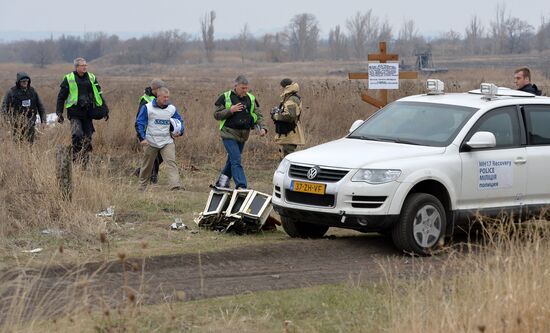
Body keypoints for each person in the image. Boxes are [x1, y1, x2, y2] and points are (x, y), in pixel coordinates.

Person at [213, 75, 267, 189]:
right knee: (236, 159)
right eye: (243, 88)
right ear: (235, 86)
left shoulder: (251, 98)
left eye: (246, 88)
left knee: (232, 160)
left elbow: (258, 115)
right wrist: (230, 110)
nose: (245, 91)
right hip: (228, 133)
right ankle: (241, 186)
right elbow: (216, 115)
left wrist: (262, 128)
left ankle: (221, 182)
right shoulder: (225, 97)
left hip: (243, 135)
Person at [56, 57, 109, 166]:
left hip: (88, 113)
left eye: (86, 65)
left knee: (88, 137)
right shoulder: (69, 78)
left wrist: (105, 110)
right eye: (82, 65)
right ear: (76, 67)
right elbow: (61, 97)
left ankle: (84, 162)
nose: (85, 67)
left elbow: (98, 94)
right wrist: (59, 113)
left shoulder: (91, 77)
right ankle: (75, 159)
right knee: (77, 134)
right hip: (74, 112)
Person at [135, 87, 184, 190]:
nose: (166, 99)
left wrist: (180, 131)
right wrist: (142, 138)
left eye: (168, 97)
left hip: (167, 141)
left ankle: (175, 186)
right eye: (164, 97)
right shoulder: (147, 108)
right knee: (147, 165)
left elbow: (179, 121)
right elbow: (139, 123)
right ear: (158, 97)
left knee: (171, 163)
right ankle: (142, 186)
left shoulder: (172, 108)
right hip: (150, 142)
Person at [135, 78, 166, 183]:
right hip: (148, 132)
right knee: (154, 156)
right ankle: (153, 178)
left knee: (160, 156)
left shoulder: (161, 99)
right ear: (155, 89)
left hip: (160, 132)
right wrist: (142, 136)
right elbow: (139, 119)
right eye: (161, 89)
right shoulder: (145, 100)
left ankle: (140, 171)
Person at [1, 72, 46, 143]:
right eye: (23, 81)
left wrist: (43, 120)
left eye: (27, 81)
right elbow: (4, 108)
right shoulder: (11, 92)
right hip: (16, 124)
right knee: (17, 144)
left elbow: (41, 107)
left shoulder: (33, 91)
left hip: (30, 122)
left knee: (30, 144)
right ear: (19, 82)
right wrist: (6, 122)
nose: (25, 83)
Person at [271, 78, 305, 159]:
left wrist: (275, 115)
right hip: (287, 133)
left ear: (285, 87)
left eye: (281, 87)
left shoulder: (291, 99)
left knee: (287, 159)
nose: (280, 89)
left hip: (289, 134)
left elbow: (290, 117)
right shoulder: (289, 97)